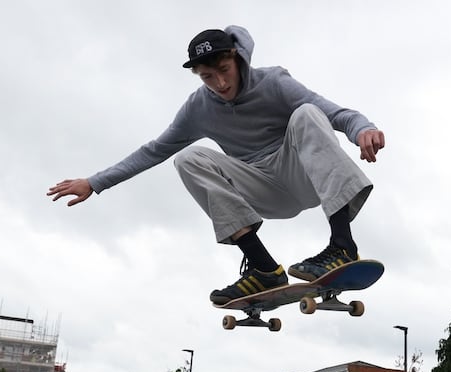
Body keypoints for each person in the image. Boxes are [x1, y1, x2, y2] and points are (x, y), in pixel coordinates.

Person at [48, 26, 385, 304]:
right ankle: (263, 267)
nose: (220, 84)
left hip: (300, 173)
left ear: (237, 60)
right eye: (208, 77)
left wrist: (362, 130)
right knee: (188, 158)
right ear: (198, 75)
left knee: (307, 113)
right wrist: (95, 182)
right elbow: (154, 150)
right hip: (260, 188)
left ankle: (342, 245)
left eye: (224, 71)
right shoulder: (198, 108)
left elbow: (336, 113)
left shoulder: (274, 83)